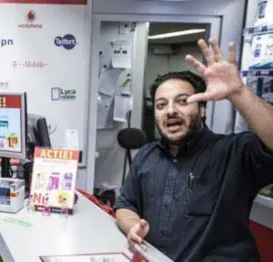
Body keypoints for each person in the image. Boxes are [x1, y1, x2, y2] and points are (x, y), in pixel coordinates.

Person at [115, 38, 273, 262]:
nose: (170, 111)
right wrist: (133, 227)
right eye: (161, 105)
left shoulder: (235, 152)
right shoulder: (147, 155)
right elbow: (125, 204)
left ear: (202, 110)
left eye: (182, 101)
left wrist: (238, 92)